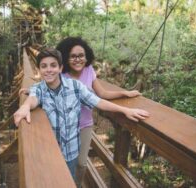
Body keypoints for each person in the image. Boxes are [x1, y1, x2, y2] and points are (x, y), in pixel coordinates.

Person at [14, 48, 150, 184]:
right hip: (50, 151)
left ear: (61, 68)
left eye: (53, 65)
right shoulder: (38, 89)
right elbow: (33, 98)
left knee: (71, 181)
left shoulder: (76, 87)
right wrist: (25, 106)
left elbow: (98, 101)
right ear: (39, 70)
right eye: (44, 66)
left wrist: (125, 110)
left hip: (71, 151)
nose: (49, 70)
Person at [56, 37, 143, 186]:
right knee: (62, 162)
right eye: (73, 56)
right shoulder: (61, 76)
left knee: (81, 164)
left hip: (85, 125)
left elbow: (102, 94)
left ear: (86, 56)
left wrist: (125, 93)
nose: (78, 59)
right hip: (64, 127)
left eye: (81, 55)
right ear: (65, 58)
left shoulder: (89, 70)